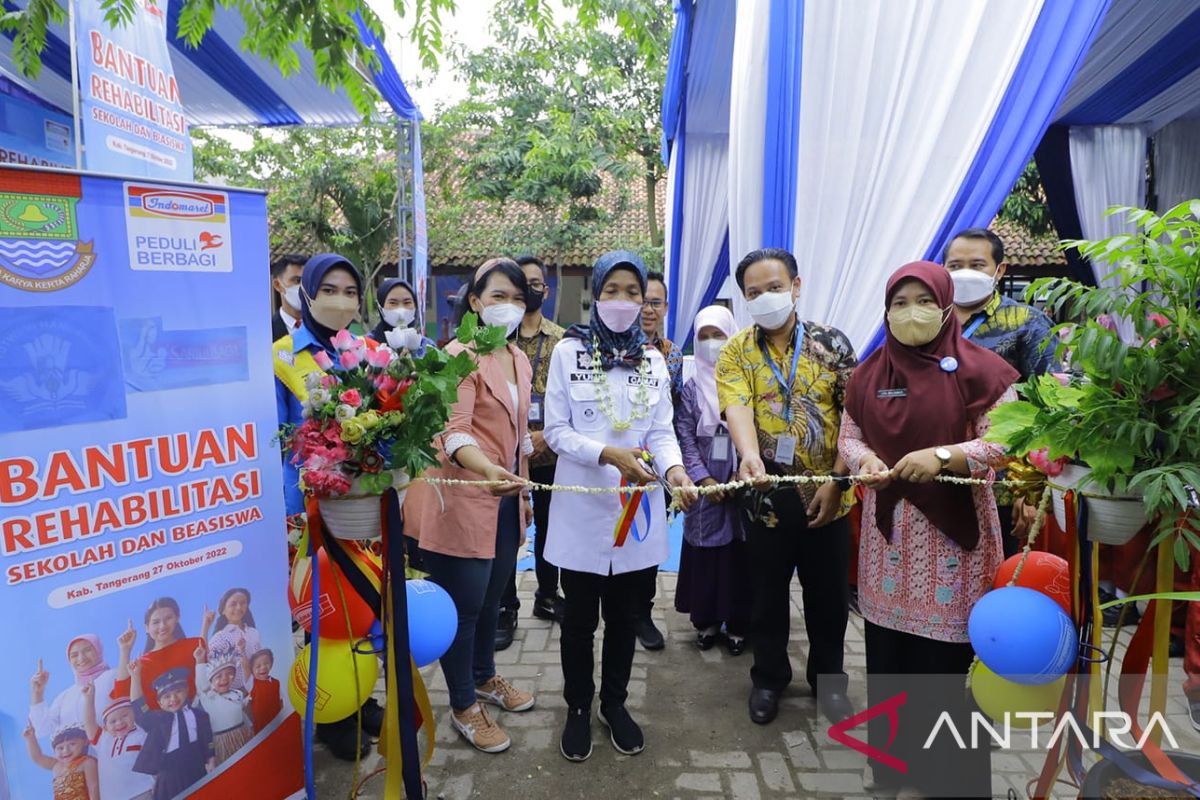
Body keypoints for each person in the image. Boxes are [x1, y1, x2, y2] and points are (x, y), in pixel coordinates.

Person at [841, 261, 1018, 798]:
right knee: (890, 658)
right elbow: (848, 438)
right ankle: (890, 771)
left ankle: (953, 781)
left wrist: (944, 455)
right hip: (889, 544)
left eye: (922, 299)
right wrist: (866, 461)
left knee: (946, 664)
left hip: (953, 548)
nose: (909, 312)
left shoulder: (982, 371)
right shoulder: (868, 374)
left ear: (944, 306)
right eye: (899, 301)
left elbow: (1006, 444)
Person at [543, 250, 696, 762]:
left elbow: (661, 432)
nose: (624, 302)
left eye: (634, 293)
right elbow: (557, 432)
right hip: (583, 513)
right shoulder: (569, 353)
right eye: (613, 291)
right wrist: (606, 453)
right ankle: (579, 708)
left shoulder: (653, 361)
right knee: (580, 620)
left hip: (639, 514)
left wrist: (676, 473)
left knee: (627, 618)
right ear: (596, 295)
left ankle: (615, 704)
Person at [715, 247, 856, 726]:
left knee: (829, 600)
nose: (765, 298)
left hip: (830, 499)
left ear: (796, 287)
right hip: (766, 501)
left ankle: (829, 680)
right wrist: (749, 456)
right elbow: (736, 406)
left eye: (774, 288)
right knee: (767, 599)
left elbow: (854, 418)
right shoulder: (737, 351)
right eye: (753, 292)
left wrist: (838, 481)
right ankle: (769, 679)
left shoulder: (832, 344)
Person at [404, 258, 537, 754]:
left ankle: (485, 678)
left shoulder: (518, 359)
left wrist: (524, 470)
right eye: (497, 296)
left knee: (491, 600)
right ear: (475, 303)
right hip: (459, 498)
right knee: (462, 609)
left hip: (503, 497)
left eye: (516, 298)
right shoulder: (456, 356)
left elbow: (518, 430)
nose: (508, 306)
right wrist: (485, 468)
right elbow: (452, 429)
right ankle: (463, 705)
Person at [271, 252, 384, 759]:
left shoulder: (366, 352)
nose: (341, 300)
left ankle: (362, 696)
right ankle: (332, 713)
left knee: (364, 603)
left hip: (363, 507)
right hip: (308, 509)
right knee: (322, 612)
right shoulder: (281, 356)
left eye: (350, 291)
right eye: (329, 289)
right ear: (306, 294)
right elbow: (271, 438)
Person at [943, 227, 1059, 553]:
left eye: (976, 265)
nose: (965, 273)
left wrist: (1033, 487)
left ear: (1000, 270)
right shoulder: (930, 322)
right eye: (955, 265)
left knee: (996, 583)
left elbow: (1053, 406)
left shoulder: (1028, 323)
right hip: (935, 482)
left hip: (1003, 487)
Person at [496, 255, 568, 651]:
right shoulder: (497, 338)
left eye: (536, 283)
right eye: (523, 283)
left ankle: (547, 595)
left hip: (549, 455)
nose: (531, 289)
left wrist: (545, 437)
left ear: (546, 289)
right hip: (505, 457)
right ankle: (506, 607)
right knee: (508, 530)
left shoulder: (561, 340)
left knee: (549, 529)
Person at [674, 305, 751, 655]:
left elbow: (757, 430)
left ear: (731, 335)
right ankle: (706, 622)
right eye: (703, 336)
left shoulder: (745, 381)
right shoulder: (690, 390)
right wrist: (703, 479)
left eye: (718, 335)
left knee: (740, 555)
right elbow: (685, 438)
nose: (711, 343)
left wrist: (741, 475)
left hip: (743, 478)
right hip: (704, 484)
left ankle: (738, 624)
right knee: (707, 555)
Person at [630, 270, 683, 652]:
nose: (647, 309)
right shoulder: (606, 349)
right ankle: (618, 608)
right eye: (641, 300)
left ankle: (642, 611)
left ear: (664, 308)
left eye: (655, 302)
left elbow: (674, 411)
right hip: (617, 461)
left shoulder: (672, 354)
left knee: (647, 537)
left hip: (659, 461)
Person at [130, 664, 215, 799]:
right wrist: (135, 677)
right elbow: (139, 708)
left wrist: (211, 759)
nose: (173, 699)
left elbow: (207, 739)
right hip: (169, 773)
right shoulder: (158, 720)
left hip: (196, 767)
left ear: (186, 690)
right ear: (160, 703)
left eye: (178, 692)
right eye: (167, 696)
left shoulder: (200, 715)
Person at [114, 600, 209, 711]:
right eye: (156, 622)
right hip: (161, 725)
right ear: (147, 628)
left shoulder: (195, 645)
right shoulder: (141, 664)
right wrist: (125, 650)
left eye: (168, 618)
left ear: (177, 618)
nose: (162, 626)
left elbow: (211, 681)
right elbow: (121, 699)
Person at [29, 635, 118, 738]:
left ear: (99, 651)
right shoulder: (65, 697)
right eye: (74, 655)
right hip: (77, 754)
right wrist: (37, 693)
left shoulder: (113, 677)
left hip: (113, 751)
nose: (81, 658)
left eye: (87, 650)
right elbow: (42, 730)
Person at [80, 684, 156, 800]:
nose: (119, 723)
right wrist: (89, 699)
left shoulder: (141, 734)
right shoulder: (103, 740)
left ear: (134, 715)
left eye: (125, 716)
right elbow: (89, 722)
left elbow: (154, 760)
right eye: (113, 721)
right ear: (105, 727)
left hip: (143, 791)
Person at [194, 642, 253, 765]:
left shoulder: (237, 694)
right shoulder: (209, 697)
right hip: (222, 741)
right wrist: (200, 661)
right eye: (219, 676)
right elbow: (201, 683)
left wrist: (250, 727)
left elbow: (241, 712)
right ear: (210, 681)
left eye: (229, 674)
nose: (224, 679)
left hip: (242, 735)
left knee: (246, 764)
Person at [23, 722, 98, 800]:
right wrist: (30, 739)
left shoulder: (87, 762)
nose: (66, 751)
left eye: (72, 744)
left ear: (85, 742)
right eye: (60, 748)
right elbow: (38, 758)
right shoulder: (57, 765)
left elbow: (93, 787)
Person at [206, 587, 260, 690]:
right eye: (233, 604)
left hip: (257, 689)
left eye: (243, 603)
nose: (239, 607)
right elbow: (210, 669)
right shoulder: (220, 637)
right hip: (235, 695)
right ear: (223, 610)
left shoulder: (254, 633)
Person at [369, 277, 435, 356]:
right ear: (380, 307)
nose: (401, 309)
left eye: (407, 302)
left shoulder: (427, 347)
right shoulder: (367, 345)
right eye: (393, 303)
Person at [270, 254, 307, 341]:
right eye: (297, 281)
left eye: (307, 280)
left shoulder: (325, 329)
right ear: (278, 285)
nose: (303, 287)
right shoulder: (267, 332)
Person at [246, 648, 283, 733]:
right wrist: (242, 650)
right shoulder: (251, 683)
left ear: (271, 664)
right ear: (251, 670)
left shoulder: (276, 683)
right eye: (258, 666)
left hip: (276, 724)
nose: (263, 667)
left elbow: (281, 702)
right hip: (260, 727)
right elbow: (245, 667)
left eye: (266, 663)